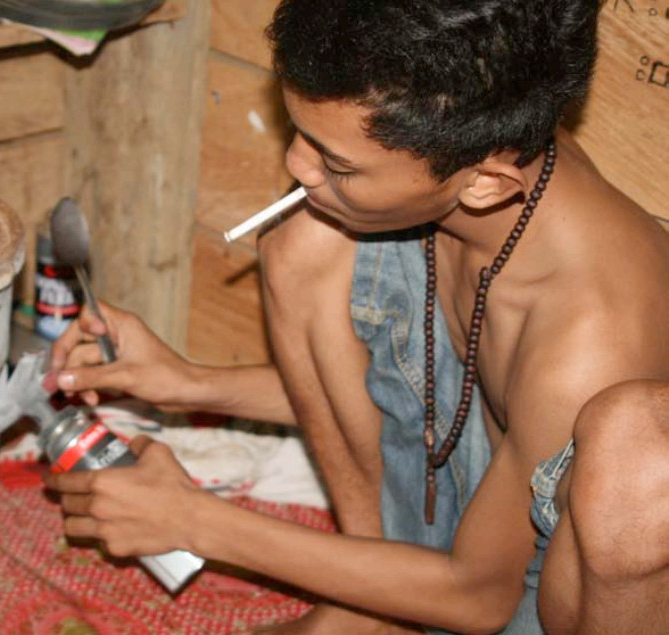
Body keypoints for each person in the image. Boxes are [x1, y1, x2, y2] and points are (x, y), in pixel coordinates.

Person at [43, 1, 669, 633]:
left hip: (517, 592)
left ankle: (388, 602)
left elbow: (484, 599)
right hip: (474, 503)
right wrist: (187, 383)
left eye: (336, 163)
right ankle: (373, 610)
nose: (297, 165)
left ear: (483, 184)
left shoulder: (589, 337)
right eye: (302, 133)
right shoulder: (471, 125)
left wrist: (194, 521)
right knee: (307, 238)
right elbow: (417, 400)